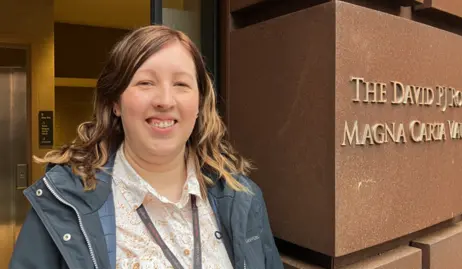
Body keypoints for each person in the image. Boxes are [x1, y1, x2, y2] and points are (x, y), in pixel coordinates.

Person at [9, 25, 283, 269]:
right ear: (116, 102)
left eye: (181, 84)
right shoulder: (64, 203)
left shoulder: (242, 199)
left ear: (199, 103)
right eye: (145, 82)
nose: (165, 100)